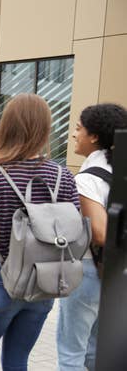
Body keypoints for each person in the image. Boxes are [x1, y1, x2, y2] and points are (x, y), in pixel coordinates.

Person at [0, 93, 80, 370]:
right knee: (17, 361)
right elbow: (75, 235)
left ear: (6, 126)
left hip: (0, 277)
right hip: (47, 281)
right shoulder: (63, 176)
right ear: (45, 128)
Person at [57, 103, 127, 371]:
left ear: (94, 136)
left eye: (78, 128)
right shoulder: (117, 172)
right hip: (114, 273)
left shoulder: (87, 179)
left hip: (88, 270)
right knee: (96, 353)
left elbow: (98, 233)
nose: (74, 135)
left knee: (71, 354)